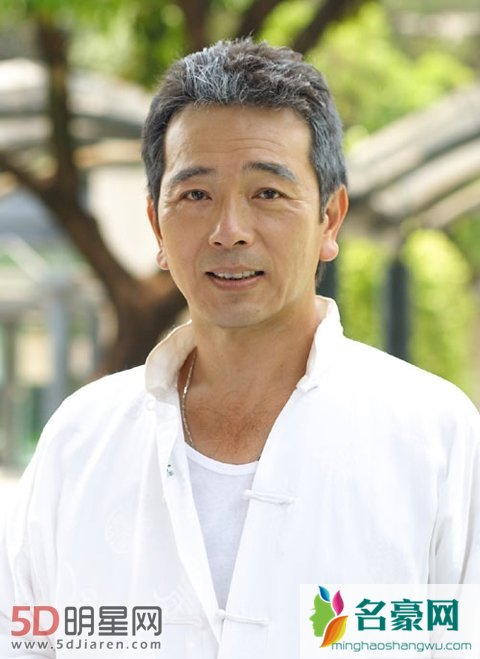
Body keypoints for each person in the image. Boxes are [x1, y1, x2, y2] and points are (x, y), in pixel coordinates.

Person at [1, 38, 479, 659]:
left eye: (268, 193)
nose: (229, 231)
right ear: (156, 225)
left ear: (330, 219)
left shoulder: (435, 438)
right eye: (196, 195)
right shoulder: (80, 443)